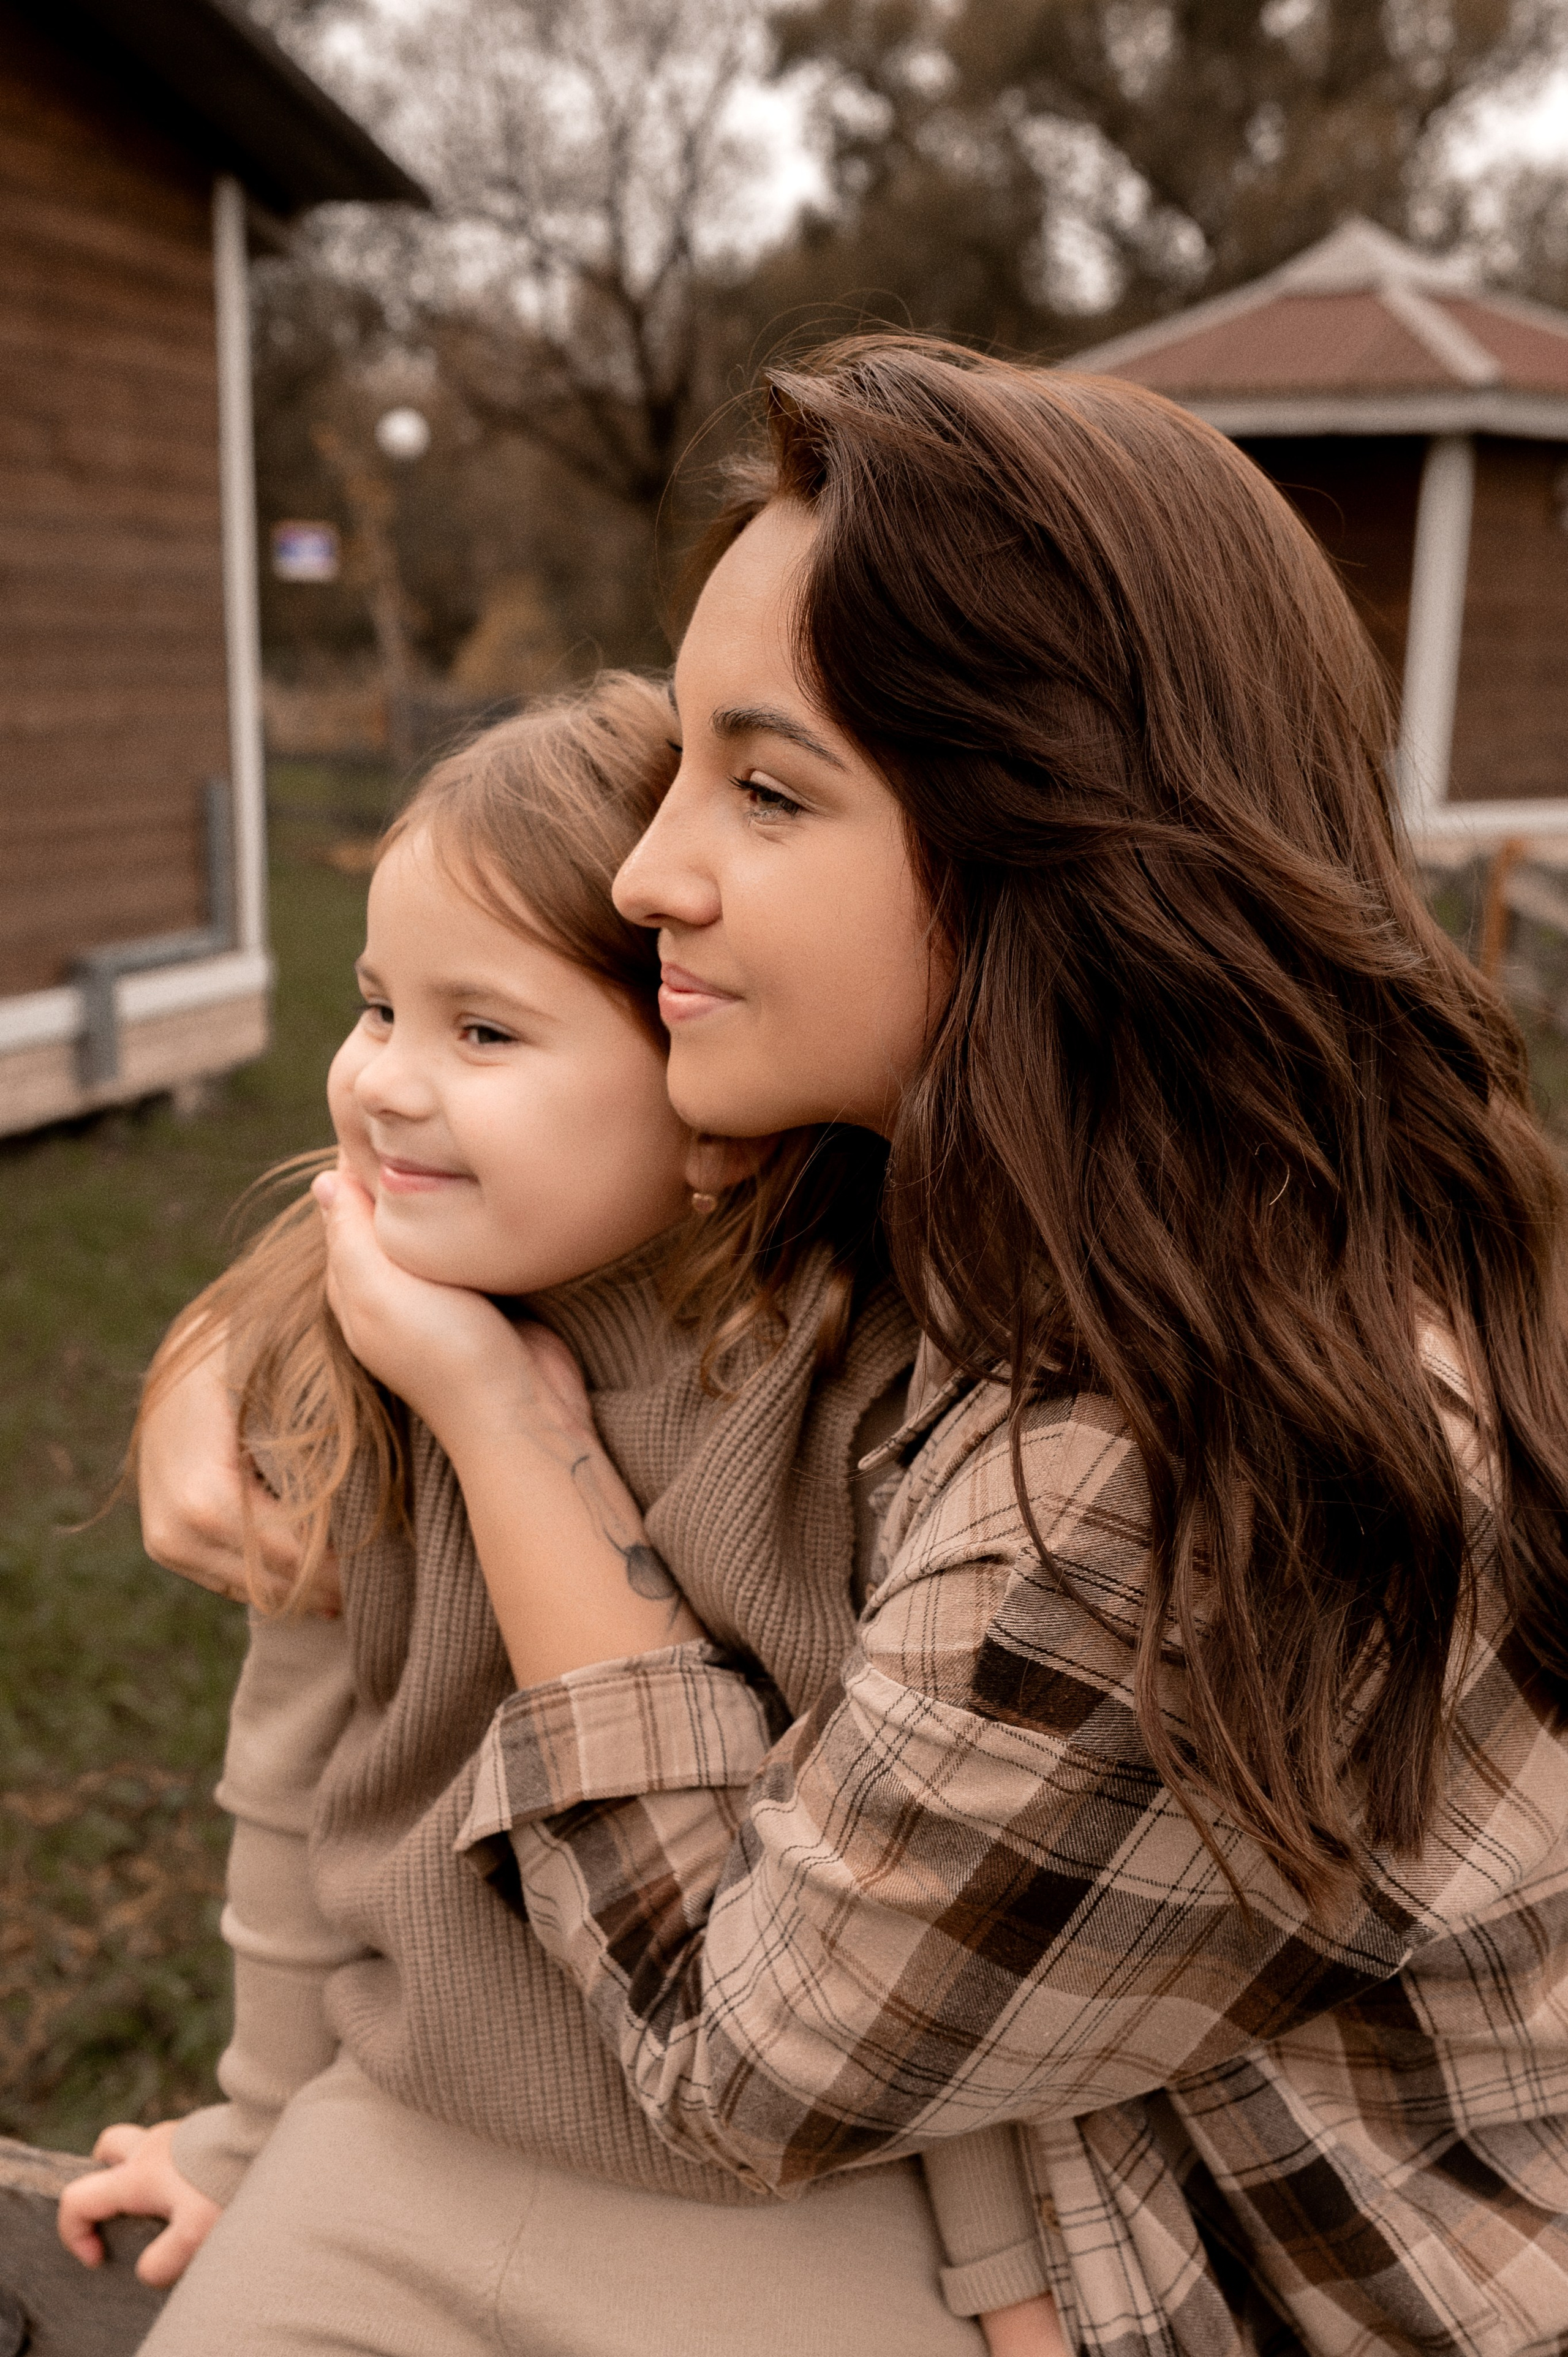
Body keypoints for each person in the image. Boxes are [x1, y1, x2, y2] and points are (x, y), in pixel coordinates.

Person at [280, 339, 1568, 2353]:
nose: (646, 875)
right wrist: (272, 1324)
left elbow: (741, 2058)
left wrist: (499, 1431)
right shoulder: (1128, 1204)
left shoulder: (1168, 1489)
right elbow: (533, 1173)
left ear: (1067, 839)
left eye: (770, 786)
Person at [61, 672, 1061, 2354]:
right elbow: (292, 1780)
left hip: (787, 2208)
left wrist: (1004, 2290)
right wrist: (248, 2125)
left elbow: (929, 1906)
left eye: (486, 1032)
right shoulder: (357, 1333)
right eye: (377, 1007)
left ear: (705, 1081)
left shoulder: (849, 1394)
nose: (382, 1082)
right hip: (402, 2138)